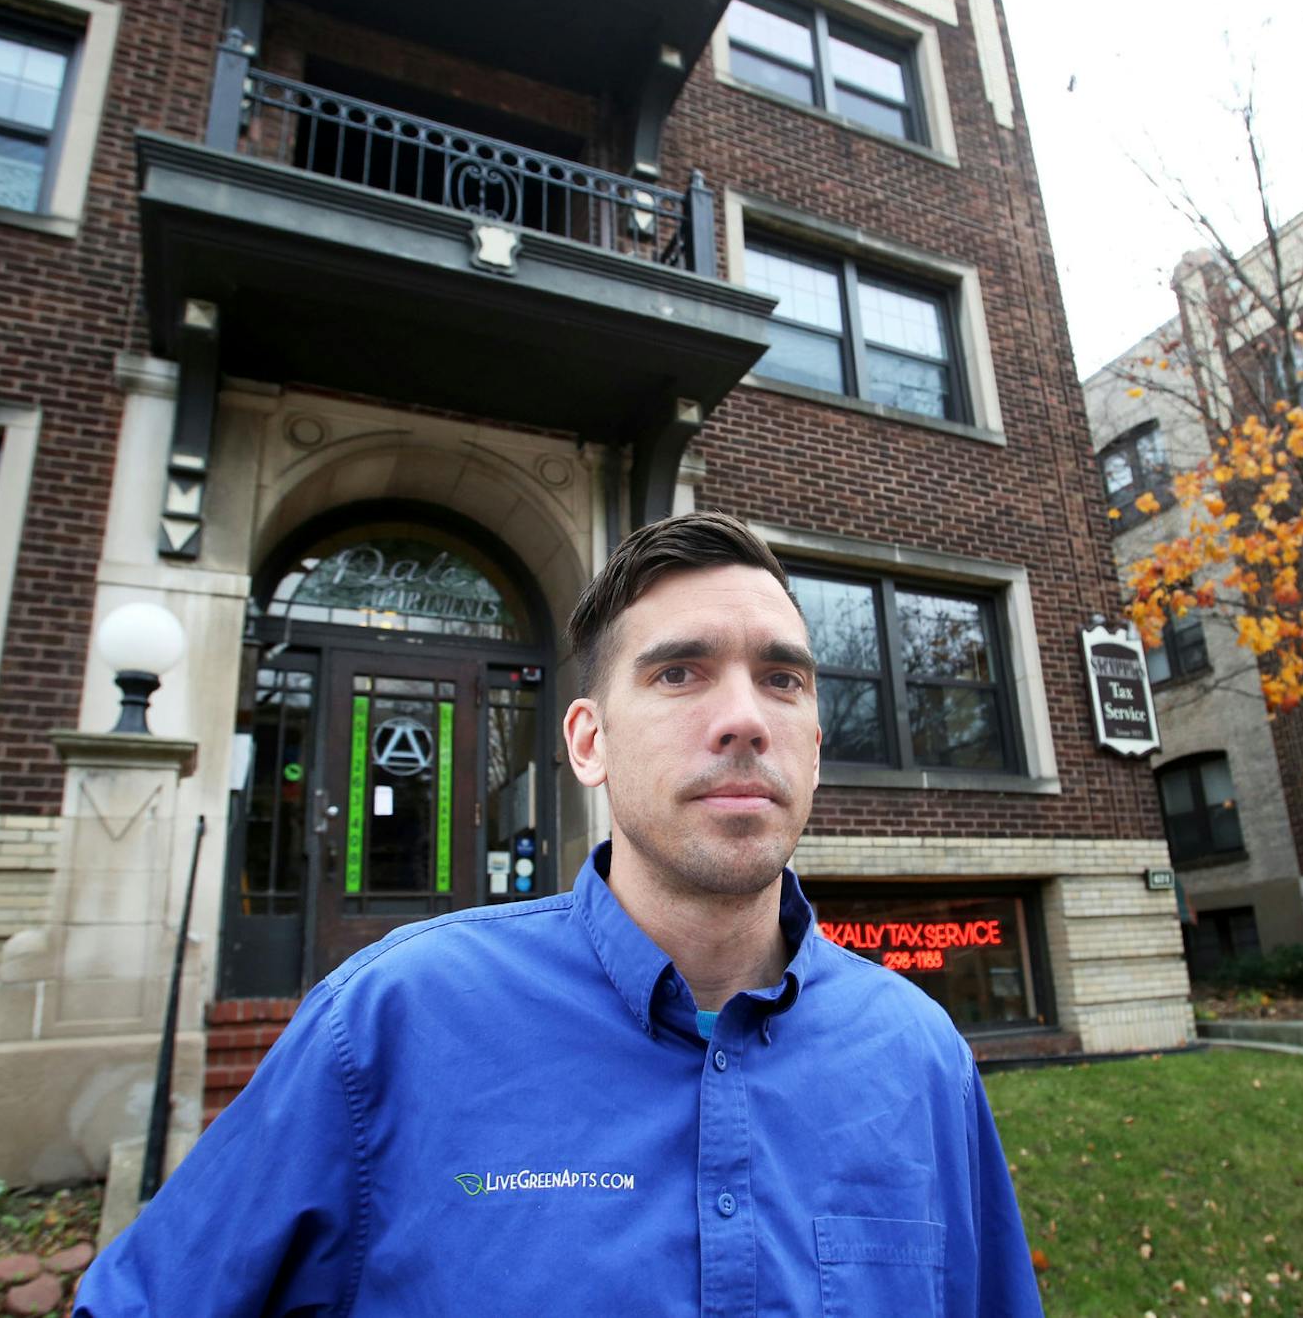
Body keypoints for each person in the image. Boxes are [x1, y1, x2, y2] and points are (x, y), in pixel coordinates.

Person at [76, 511, 1043, 1316]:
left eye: (782, 678)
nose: (746, 716)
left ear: (816, 747)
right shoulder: (385, 1025)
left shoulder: (922, 1058)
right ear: (588, 742)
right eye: (679, 671)